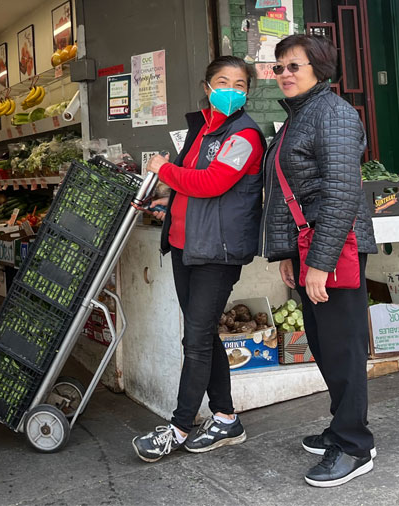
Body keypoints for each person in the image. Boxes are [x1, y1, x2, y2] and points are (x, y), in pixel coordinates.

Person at [132, 56, 266, 462]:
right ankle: (226, 417)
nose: (231, 90)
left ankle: (178, 427)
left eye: (239, 84)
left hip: (217, 252)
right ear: (207, 86)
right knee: (203, 335)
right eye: (222, 82)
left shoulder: (244, 135)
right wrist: (166, 199)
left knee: (195, 341)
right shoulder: (203, 129)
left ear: (247, 91)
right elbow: (192, 185)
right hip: (187, 246)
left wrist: (164, 169)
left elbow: (211, 183)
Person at [262, 34, 376, 487]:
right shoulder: (302, 115)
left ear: (319, 69)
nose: (285, 74)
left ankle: (354, 446)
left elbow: (342, 194)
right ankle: (340, 428)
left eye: (295, 66)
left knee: (343, 348)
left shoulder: (334, 114)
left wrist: (320, 263)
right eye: (279, 67)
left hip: (333, 251)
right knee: (325, 343)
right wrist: (289, 254)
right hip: (311, 250)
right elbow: (290, 195)